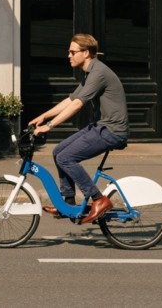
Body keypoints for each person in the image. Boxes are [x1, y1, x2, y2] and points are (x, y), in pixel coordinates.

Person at [28, 33, 129, 225]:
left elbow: (77, 106)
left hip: (112, 131)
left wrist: (49, 126)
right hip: (101, 126)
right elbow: (71, 99)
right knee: (59, 151)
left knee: (67, 157)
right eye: (69, 52)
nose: (69, 55)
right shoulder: (90, 72)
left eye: (73, 52)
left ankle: (99, 199)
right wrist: (44, 116)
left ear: (87, 53)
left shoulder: (98, 72)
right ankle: (67, 202)